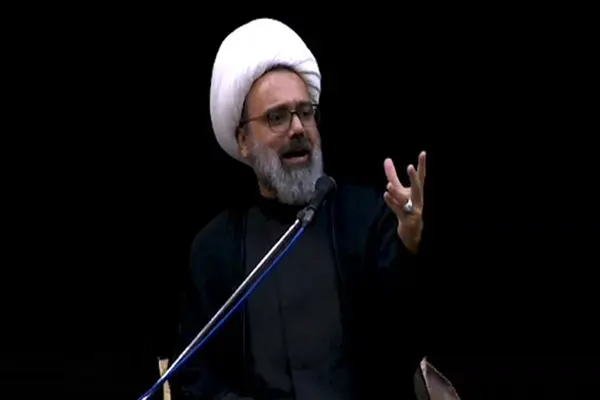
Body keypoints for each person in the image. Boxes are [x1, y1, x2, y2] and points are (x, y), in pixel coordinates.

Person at [170, 18, 428, 399]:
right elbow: (194, 374)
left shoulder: (366, 217)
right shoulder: (214, 249)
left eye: (305, 112)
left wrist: (410, 245)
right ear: (243, 140)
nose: (297, 128)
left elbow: (405, 331)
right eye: (277, 117)